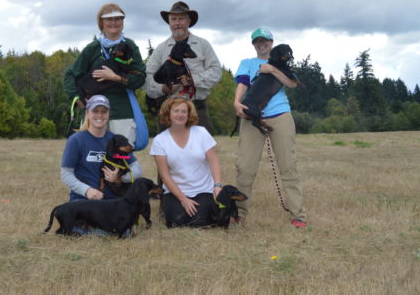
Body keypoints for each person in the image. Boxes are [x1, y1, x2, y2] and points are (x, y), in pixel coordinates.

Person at [233, 28, 307, 229]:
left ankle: (298, 215)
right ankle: (239, 212)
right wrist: (237, 103)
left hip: (280, 115)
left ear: (272, 42)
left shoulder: (280, 64)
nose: (261, 44)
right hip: (251, 116)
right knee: (245, 167)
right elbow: (242, 83)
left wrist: (272, 70)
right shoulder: (247, 64)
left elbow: (292, 84)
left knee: (288, 165)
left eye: (265, 40)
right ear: (253, 44)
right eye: (257, 41)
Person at [64, 3, 146, 145]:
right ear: (101, 23)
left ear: (122, 22)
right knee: (91, 158)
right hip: (95, 114)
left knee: (121, 158)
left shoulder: (130, 46)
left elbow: (140, 78)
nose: (113, 23)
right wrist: (76, 97)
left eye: (117, 19)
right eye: (109, 19)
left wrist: (116, 78)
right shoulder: (93, 48)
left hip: (122, 113)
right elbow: (70, 75)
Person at [60, 95, 143, 234]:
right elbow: (65, 174)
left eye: (104, 111)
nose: (100, 115)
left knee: (123, 231)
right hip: (84, 200)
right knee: (106, 231)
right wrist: (87, 190)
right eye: (95, 111)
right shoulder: (76, 140)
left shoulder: (115, 139)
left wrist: (121, 177)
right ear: (87, 113)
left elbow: (137, 169)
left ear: (109, 114)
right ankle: (81, 225)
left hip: (112, 203)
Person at [145, 1, 222, 134]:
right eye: (173, 19)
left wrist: (194, 80)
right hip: (168, 108)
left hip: (196, 107)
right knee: (166, 152)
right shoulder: (161, 49)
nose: (177, 23)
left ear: (188, 21)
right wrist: (162, 88)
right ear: (169, 22)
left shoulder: (202, 45)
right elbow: (146, 77)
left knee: (204, 151)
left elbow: (216, 72)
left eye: (181, 18)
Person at [150, 97, 223, 228]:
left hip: (203, 190)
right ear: (168, 113)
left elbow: (214, 160)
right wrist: (183, 199)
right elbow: (165, 176)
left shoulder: (201, 133)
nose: (180, 115)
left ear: (189, 114)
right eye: (176, 111)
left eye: (184, 111)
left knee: (200, 223)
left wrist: (217, 185)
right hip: (176, 193)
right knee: (177, 223)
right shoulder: (159, 140)